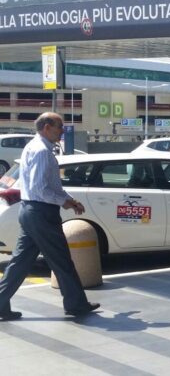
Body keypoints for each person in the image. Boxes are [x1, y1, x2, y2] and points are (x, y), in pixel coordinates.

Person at [0, 112, 100, 320]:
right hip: (41, 213)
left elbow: (50, 185)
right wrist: (64, 201)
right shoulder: (41, 151)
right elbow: (40, 189)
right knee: (61, 260)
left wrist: (68, 199)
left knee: (20, 263)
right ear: (46, 127)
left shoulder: (34, 147)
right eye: (59, 127)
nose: (62, 131)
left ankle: (0, 304)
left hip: (31, 212)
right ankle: (76, 304)